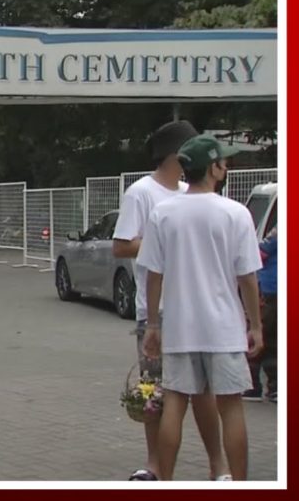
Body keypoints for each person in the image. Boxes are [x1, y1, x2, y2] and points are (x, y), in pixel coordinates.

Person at [138, 134, 263, 481]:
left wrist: (152, 325)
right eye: (223, 160)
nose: (227, 164)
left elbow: (154, 275)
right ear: (214, 168)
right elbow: (247, 277)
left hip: (180, 326)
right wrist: (254, 325)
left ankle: (166, 480)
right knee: (231, 406)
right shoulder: (235, 214)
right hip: (223, 328)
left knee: (175, 404)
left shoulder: (163, 213)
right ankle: (238, 483)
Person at [112, 120, 229, 481]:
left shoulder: (190, 191)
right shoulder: (141, 193)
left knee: (204, 394)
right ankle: (156, 468)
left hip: (196, 309)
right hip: (157, 312)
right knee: (157, 395)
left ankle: (219, 468)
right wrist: (164, 245)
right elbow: (121, 245)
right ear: (174, 155)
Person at [246, 225, 277, 402]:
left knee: (264, 336)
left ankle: (254, 385)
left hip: (271, 289)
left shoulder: (279, 231)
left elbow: (259, 255)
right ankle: (274, 386)